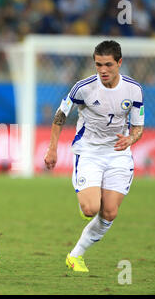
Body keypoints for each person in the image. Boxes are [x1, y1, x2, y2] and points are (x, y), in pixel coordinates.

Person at [44, 40, 144, 272]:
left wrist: (131, 139)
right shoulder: (83, 87)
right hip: (89, 152)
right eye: (98, 64)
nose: (103, 70)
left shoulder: (134, 90)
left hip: (118, 155)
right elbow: (61, 114)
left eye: (108, 64)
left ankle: (75, 255)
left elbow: (138, 127)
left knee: (109, 212)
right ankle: (88, 199)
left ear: (119, 63)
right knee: (90, 209)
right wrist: (52, 148)